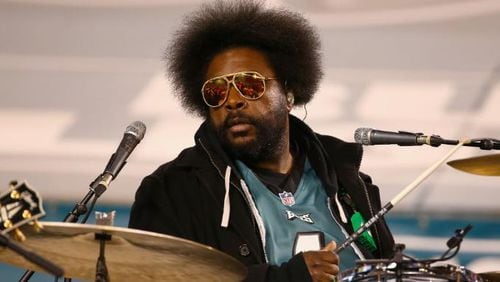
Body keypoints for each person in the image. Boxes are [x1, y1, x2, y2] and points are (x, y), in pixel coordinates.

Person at [129, 1, 395, 281]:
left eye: (249, 85)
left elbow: (389, 266)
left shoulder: (348, 180)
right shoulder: (172, 191)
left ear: (289, 94)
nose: (232, 101)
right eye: (216, 91)